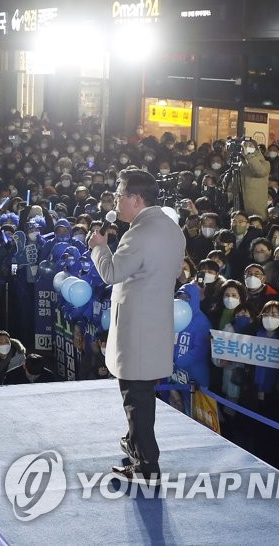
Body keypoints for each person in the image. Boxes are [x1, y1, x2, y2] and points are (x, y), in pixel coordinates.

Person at [88, 167, 186, 485]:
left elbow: (112, 273)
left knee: (136, 398)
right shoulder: (172, 228)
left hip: (138, 329)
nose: (115, 201)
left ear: (135, 198)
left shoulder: (140, 232)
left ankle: (146, 463)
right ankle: (135, 445)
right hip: (155, 324)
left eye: (119, 195)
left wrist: (99, 247)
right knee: (141, 394)